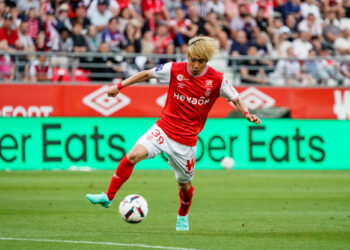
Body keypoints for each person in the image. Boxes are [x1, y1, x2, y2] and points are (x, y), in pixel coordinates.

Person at [86, 36, 261, 231]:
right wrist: (119, 87)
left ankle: (183, 215)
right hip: (163, 128)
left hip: (186, 143)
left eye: (200, 61)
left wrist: (246, 113)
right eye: (192, 59)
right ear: (188, 56)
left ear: (207, 61)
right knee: (133, 155)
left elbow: (236, 98)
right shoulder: (174, 69)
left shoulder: (217, 79)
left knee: (184, 186)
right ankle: (108, 197)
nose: (195, 65)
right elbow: (146, 74)